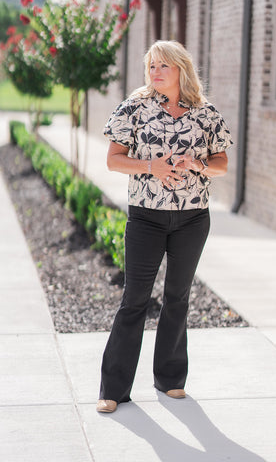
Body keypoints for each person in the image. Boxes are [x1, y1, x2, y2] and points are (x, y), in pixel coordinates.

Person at [97, 40, 233, 413]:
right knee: (134, 300)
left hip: (193, 218)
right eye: (151, 66)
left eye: (163, 66)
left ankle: (171, 378)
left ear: (180, 70)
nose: (155, 72)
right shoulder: (134, 108)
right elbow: (113, 160)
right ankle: (112, 389)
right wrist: (150, 167)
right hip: (146, 217)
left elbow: (221, 163)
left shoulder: (206, 114)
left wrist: (199, 165)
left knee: (178, 296)